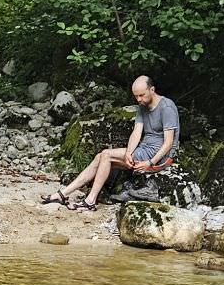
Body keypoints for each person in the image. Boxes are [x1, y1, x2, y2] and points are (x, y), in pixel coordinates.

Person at [43, 74, 180, 210]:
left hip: (159, 157)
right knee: (101, 157)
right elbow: (136, 132)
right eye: (136, 96)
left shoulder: (166, 107)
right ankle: (64, 194)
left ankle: (90, 200)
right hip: (143, 150)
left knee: (106, 155)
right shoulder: (142, 106)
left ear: (152, 90)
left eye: (142, 95)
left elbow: (168, 143)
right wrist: (128, 153)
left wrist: (150, 163)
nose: (139, 99)